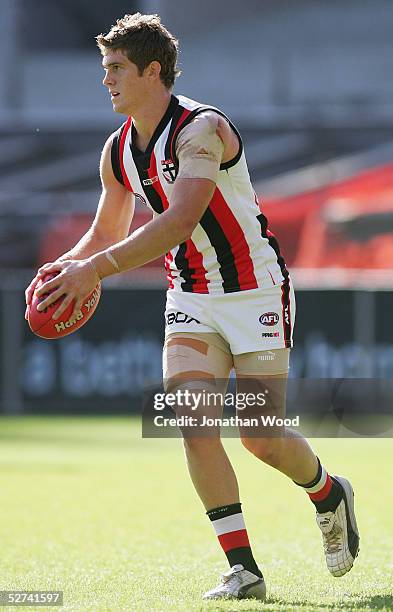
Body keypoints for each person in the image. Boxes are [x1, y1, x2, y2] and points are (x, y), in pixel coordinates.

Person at [25, 13, 359, 601]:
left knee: (261, 436)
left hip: (255, 288)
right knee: (193, 423)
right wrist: (60, 273)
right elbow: (105, 231)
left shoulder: (200, 130)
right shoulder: (118, 150)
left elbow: (181, 219)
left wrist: (93, 271)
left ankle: (329, 493)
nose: (106, 80)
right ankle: (244, 568)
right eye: (104, 69)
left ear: (154, 71)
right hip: (192, 295)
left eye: (117, 69)